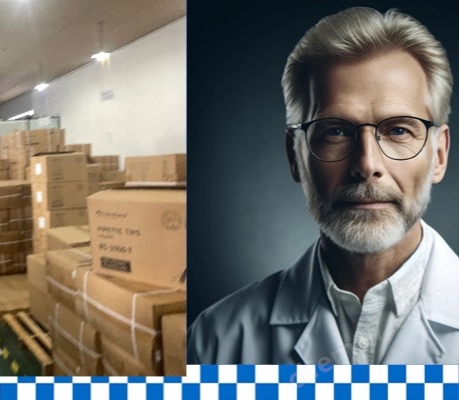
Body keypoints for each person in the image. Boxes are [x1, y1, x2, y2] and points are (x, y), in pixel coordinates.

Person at [191, 7, 457, 364]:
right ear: (295, 155)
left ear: (438, 155)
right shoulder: (216, 342)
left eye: (398, 130)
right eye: (335, 132)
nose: (367, 165)